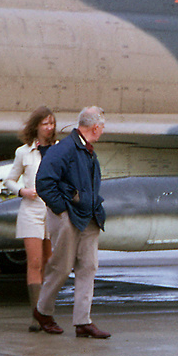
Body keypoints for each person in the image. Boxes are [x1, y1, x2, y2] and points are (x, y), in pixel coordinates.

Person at [32, 105, 109, 339]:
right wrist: (62, 210)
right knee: (62, 267)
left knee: (88, 267)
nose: (103, 131)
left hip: (88, 217)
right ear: (95, 127)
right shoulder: (64, 149)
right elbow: (44, 182)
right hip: (68, 217)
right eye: (102, 127)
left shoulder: (85, 150)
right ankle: (43, 311)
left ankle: (83, 321)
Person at [1, 107, 57, 296]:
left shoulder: (59, 150)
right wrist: (22, 191)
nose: (49, 127)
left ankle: (47, 309)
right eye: (45, 124)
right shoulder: (23, 152)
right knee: (35, 262)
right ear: (36, 127)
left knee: (50, 261)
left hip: (53, 210)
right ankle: (37, 313)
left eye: (52, 123)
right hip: (31, 210)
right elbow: (9, 180)